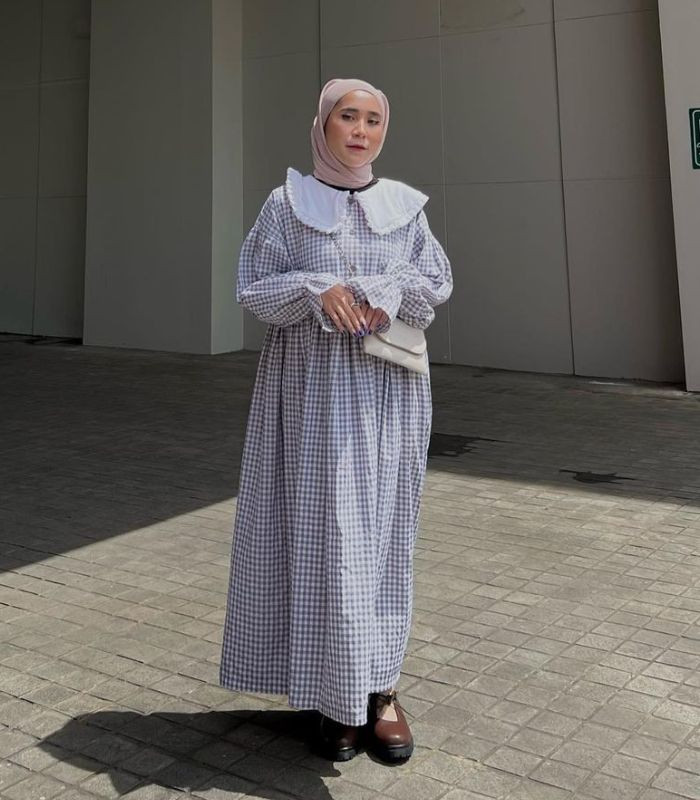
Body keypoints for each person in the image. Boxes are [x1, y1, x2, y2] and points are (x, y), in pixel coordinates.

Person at [219, 77, 453, 763]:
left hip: (387, 396)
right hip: (310, 398)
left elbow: (434, 283)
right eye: (347, 116)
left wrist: (386, 289)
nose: (361, 130)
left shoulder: (404, 207)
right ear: (322, 125)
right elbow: (253, 288)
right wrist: (312, 287)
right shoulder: (286, 205)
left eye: (374, 119)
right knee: (322, 538)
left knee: (383, 538)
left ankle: (381, 692)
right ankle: (334, 696)